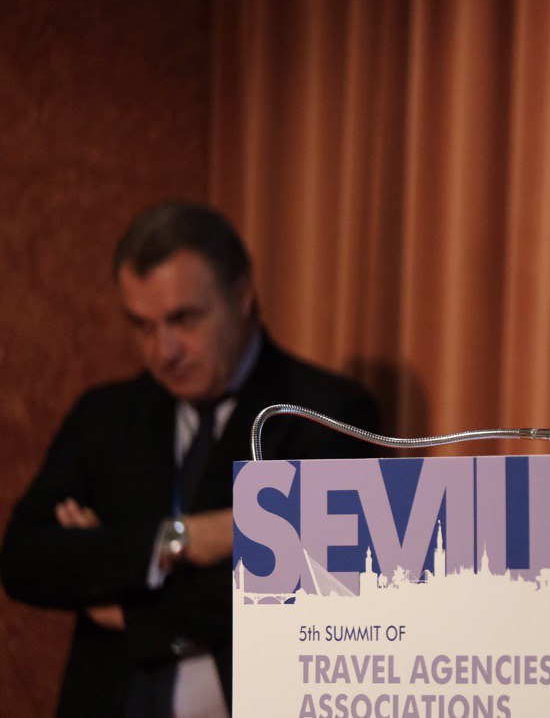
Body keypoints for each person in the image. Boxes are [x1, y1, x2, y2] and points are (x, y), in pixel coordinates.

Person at [1, 202, 380, 717]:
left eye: (183, 320)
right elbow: (26, 559)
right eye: (142, 326)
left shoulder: (327, 413)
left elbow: (308, 582)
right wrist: (184, 539)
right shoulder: (105, 415)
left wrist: (123, 597)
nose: (163, 352)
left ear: (242, 297)